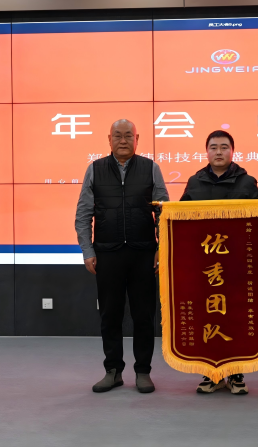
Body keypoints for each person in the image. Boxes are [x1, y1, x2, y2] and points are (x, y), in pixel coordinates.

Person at [75, 119, 169, 394]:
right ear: (109, 139)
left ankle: (143, 371)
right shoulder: (95, 169)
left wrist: (162, 248)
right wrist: (87, 250)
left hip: (143, 254)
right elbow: (83, 214)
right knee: (110, 315)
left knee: (144, 316)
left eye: (129, 135)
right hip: (107, 255)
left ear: (137, 139)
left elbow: (163, 212)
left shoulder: (151, 168)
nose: (123, 140)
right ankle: (113, 371)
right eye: (118, 135)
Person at [180, 130, 258, 395]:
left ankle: (236, 374)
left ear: (232, 151)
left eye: (224, 147)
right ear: (206, 152)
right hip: (204, 265)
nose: (218, 152)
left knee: (235, 317)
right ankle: (211, 373)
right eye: (213, 147)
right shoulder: (195, 182)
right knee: (207, 317)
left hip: (236, 264)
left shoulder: (247, 182)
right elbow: (181, 219)